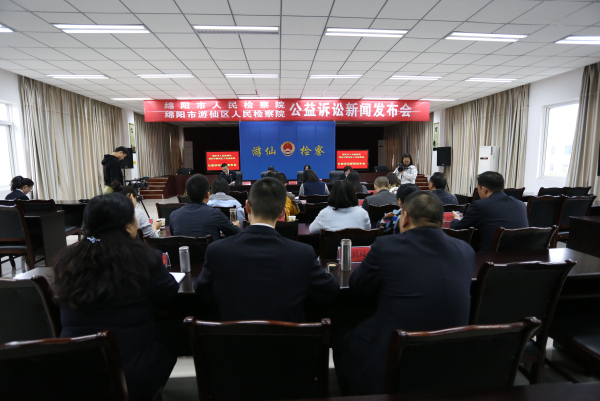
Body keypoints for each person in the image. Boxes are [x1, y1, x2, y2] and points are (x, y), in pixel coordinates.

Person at [335, 192, 475, 395]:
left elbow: (357, 285)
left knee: (342, 335)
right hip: (450, 355)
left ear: (405, 217)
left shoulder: (386, 246)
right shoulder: (465, 250)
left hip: (396, 354)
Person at [54, 193, 179, 401]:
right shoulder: (144, 256)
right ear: (129, 226)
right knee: (171, 334)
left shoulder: (66, 259)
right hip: (132, 375)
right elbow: (168, 292)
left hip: (75, 371)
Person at [194, 177, 339, 322]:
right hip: (287, 336)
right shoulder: (303, 254)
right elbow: (330, 291)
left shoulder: (217, 251)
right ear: (282, 212)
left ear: (247, 207)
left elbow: (202, 291)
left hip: (232, 336)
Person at [450, 171, 528, 252]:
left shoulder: (480, 205)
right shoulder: (521, 204)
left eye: (478, 189)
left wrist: (456, 219)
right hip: (520, 255)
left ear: (484, 190)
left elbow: (457, 229)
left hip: (491, 256)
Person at [169, 174, 241, 239]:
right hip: (211, 250)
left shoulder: (174, 215)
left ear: (187, 195)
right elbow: (236, 234)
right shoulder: (215, 214)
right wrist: (235, 226)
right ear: (207, 195)